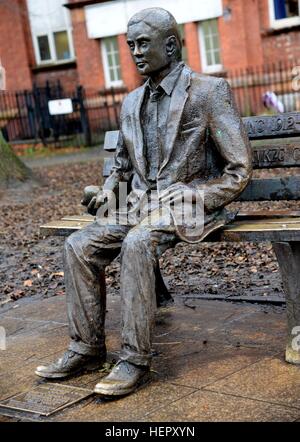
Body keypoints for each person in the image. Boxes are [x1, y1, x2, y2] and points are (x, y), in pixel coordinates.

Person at [35, 7, 252, 397]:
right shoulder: (131, 102)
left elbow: (238, 171)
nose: (134, 52)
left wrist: (196, 193)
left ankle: (134, 359)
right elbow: (121, 171)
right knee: (79, 245)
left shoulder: (208, 92)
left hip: (189, 204)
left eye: (143, 44)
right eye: (130, 44)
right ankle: (86, 349)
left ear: (170, 46)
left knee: (138, 242)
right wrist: (106, 196)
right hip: (138, 204)